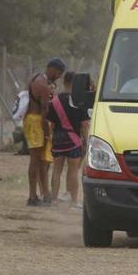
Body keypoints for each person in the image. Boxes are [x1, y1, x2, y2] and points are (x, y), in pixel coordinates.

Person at [24, 58, 66, 206]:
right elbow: (45, 112)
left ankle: (44, 194)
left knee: (41, 160)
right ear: (53, 70)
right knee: (36, 160)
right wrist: (47, 132)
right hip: (37, 123)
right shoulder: (43, 86)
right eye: (59, 73)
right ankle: (32, 196)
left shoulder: (35, 78)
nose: (59, 77)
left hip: (30, 120)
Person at [47, 71, 89, 208]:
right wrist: (86, 141)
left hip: (58, 140)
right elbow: (84, 125)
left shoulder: (55, 101)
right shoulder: (79, 101)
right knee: (73, 171)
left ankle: (54, 200)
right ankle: (74, 201)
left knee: (57, 170)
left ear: (64, 82)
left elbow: (51, 125)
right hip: (73, 141)